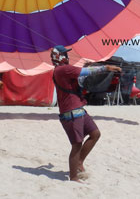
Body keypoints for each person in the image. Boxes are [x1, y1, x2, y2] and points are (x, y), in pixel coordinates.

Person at [51, 45, 121, 182]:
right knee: (76, 144)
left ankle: (79, 162)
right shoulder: (63, 70)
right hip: (71, 113)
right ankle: (73, 177)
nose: (68, 56)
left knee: (95, 134)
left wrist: (90, 67)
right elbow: (85, 72)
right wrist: (105, 68)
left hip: (79, 109)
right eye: (65, 54)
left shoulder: (63, 71)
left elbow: (81, 78)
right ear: (60, 56)